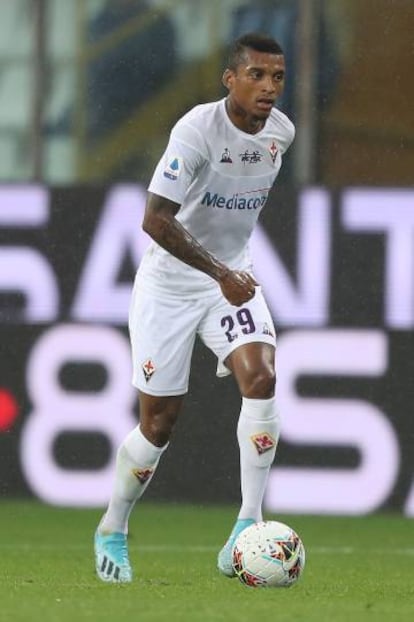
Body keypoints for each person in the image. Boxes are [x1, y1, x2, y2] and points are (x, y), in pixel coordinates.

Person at [94, 31, 295, 583]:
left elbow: (233, 215)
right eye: (256, 75)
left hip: (229, 278)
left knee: (261, 375)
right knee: (158, 424)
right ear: (229, 79)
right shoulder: (195, 130)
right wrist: (220, 272)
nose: (269, 87)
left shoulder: (282, 133)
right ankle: (113, 525)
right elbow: (155, 220)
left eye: (277, 76)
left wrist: (231, 273)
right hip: (170, 286)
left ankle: (245, 527)